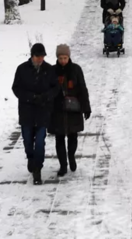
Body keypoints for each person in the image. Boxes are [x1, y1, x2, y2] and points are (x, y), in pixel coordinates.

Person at [12, 43, 60, 185]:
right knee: (27, 141)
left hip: (43, 111)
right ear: (32, 56)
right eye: (38, 56)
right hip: (27, 112)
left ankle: (37, 168)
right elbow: (16, 88)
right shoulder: (22, 69)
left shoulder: (49, 70)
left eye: (42, 57)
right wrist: (30, 97)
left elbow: (56, 88)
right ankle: (30, 158)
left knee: (40, 141)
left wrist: (45, 97)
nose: (40, 59)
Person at [50, 44, 91, 176]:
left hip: (73, 109)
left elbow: (82, 89)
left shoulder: (76, 69)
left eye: (65, 57)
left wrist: (86, 107)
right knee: (59, 138)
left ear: (69, 57)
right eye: (61, 58)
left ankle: (71, 157)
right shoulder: (52, 71)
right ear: (57, 57)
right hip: (57, 110)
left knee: (73, 136)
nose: (63, 60)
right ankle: (63, 165)